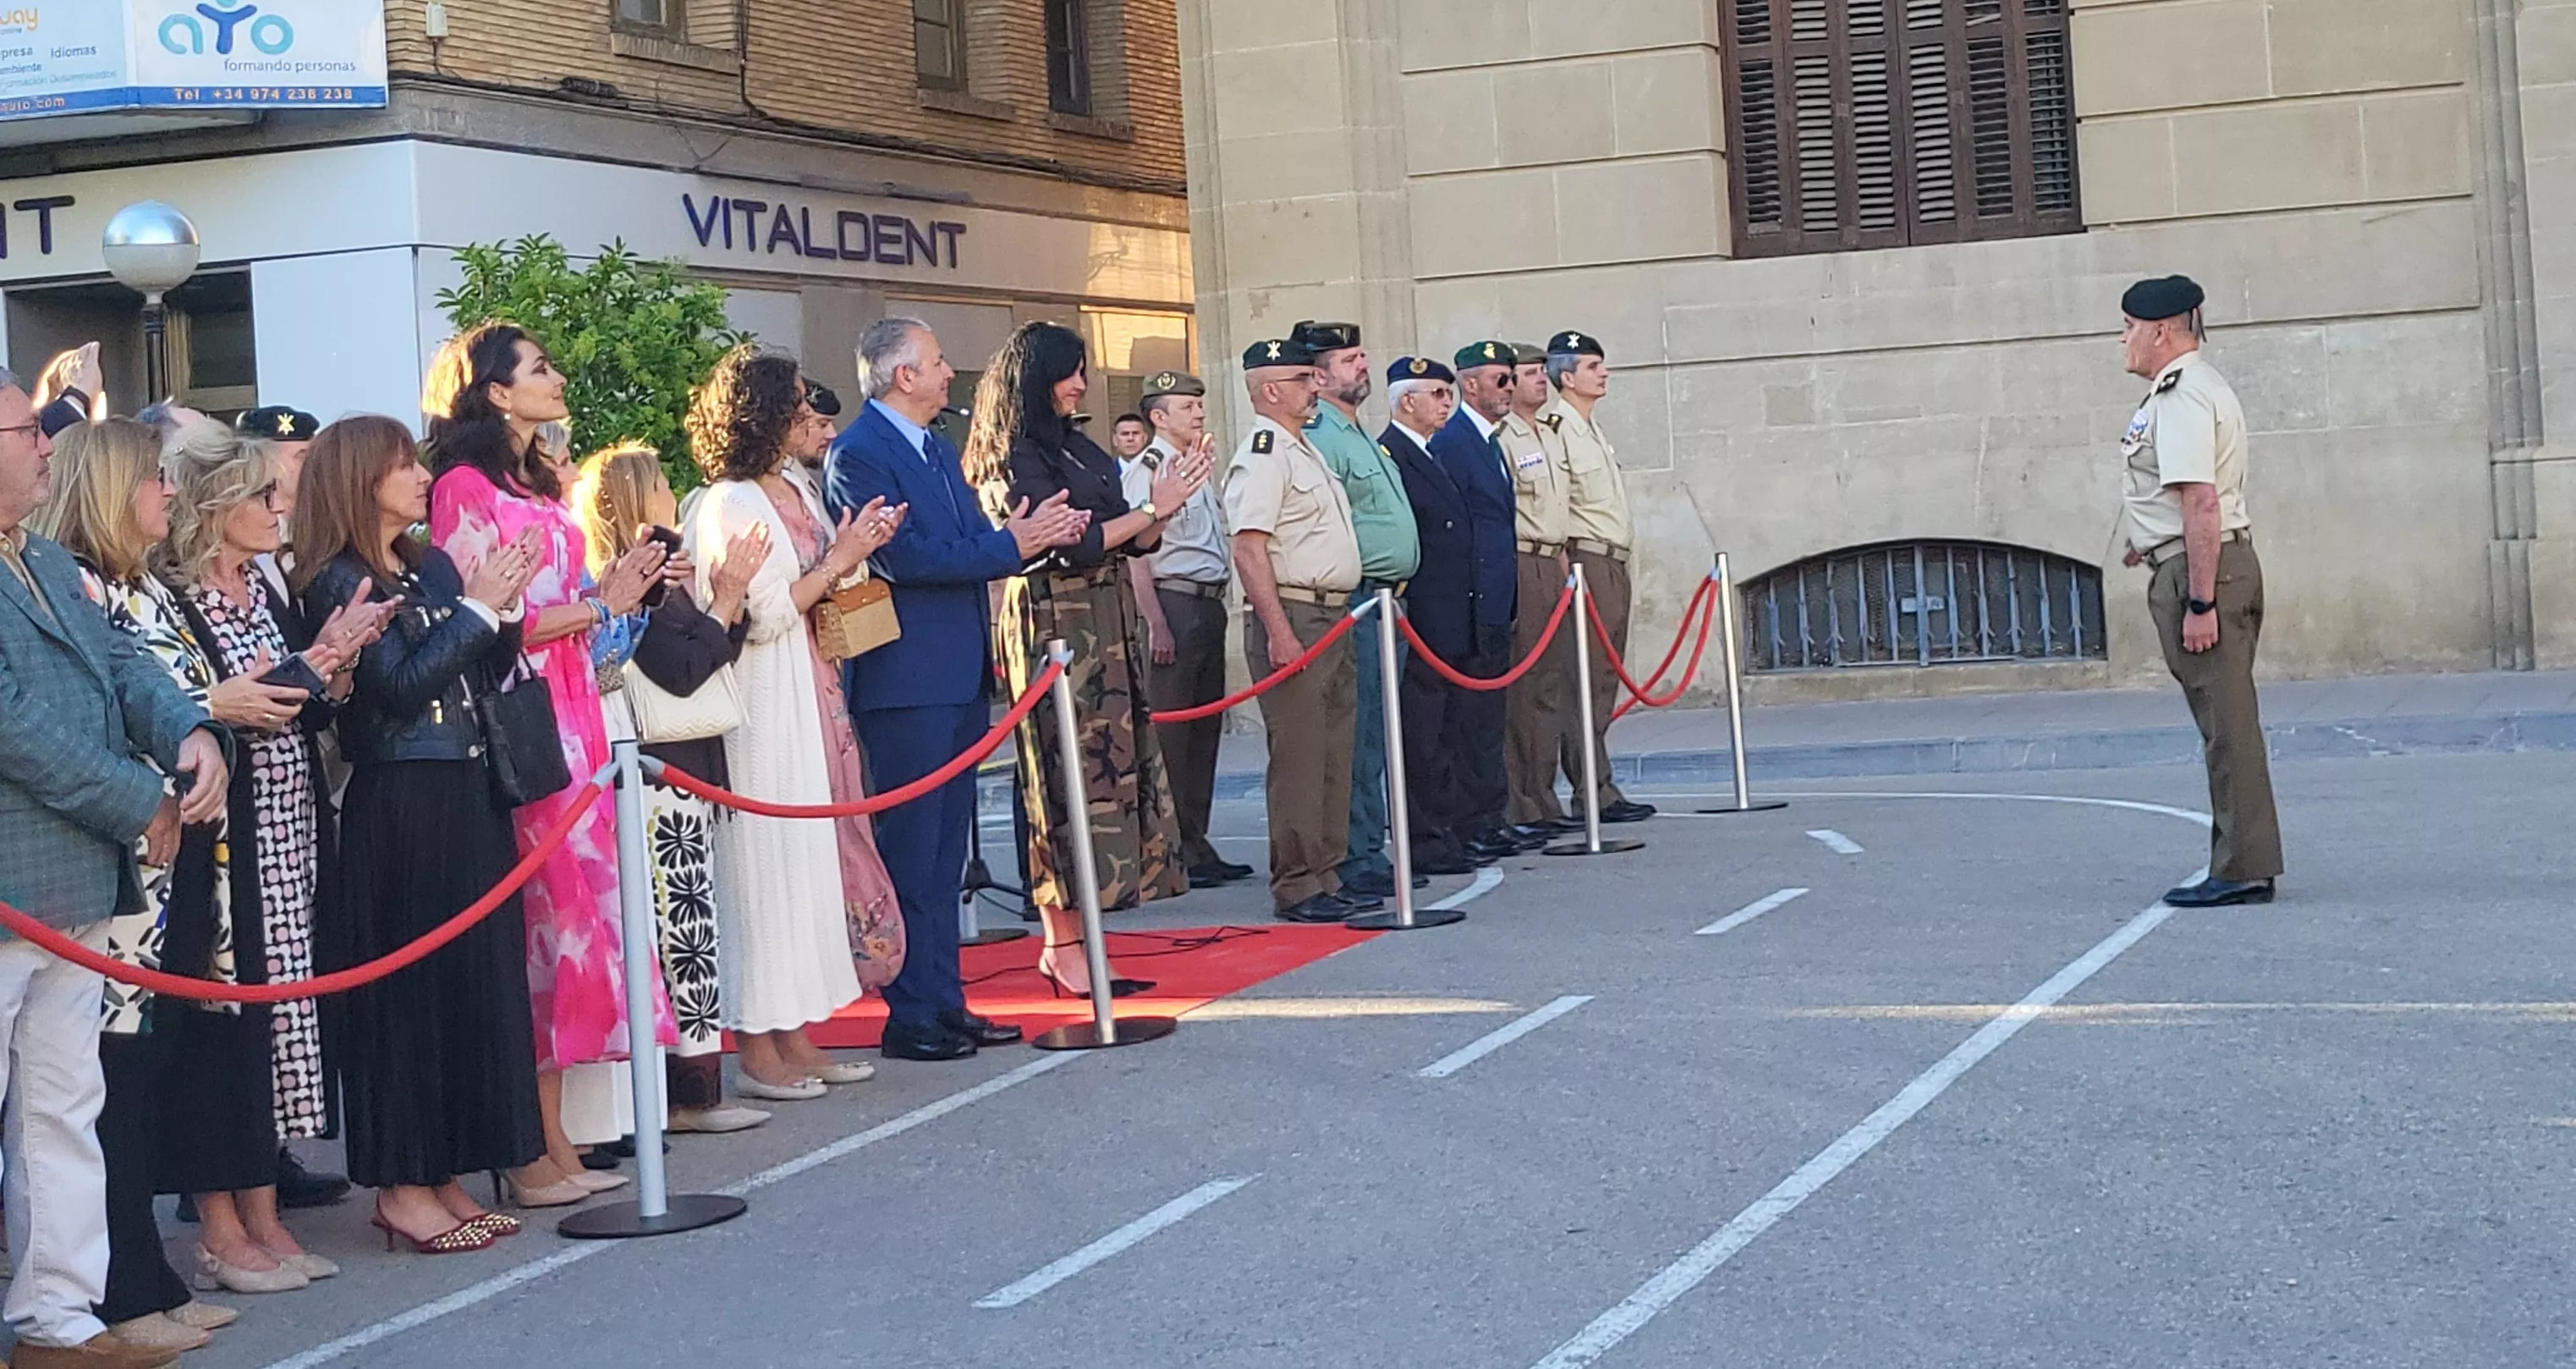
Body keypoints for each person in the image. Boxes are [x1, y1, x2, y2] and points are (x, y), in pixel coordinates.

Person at [0, 366, 229, 1369]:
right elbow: (14, 726)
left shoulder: (49, 560)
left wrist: (192, 734)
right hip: (15, 885)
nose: (47, 445)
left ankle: (58, 1319)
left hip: (74, 884)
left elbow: (129, 666)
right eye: (27, 431)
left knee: (63, 1107)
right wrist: (140, 797)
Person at [421, 322, 675, 1207]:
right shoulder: (461, 487)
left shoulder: (528, 478)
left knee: (581, 920)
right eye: (539, 367)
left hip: (573, 708)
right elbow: (484, 623)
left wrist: (613, 595)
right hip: (523, 716)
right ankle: (528, 1144)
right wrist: (598, 605)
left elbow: (561, 604)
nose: (557, 377)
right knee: (546, 926)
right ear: (494, 390)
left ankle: (554, 1134)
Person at [294, 413, 544, 1256]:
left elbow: (478, 665)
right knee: (409, 996)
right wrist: (475, 609)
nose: (421, 477)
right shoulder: (336, 580)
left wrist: (501, 607)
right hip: (401, 798)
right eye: (403, 465)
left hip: (467, 784)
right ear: (360, 477)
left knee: (469, 984)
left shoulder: (428, 563)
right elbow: (395, 690)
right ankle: (402, 1183)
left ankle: (445, 1168)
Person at [162, 420, 397, 1299]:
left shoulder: (262, 583)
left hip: (290, 826)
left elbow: (302, 705)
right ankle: (221, 1229)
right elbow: (189, 706)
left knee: (278, 1024)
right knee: (224, 1030)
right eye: (262, 495)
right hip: (224, 839)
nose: (278, 509)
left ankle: (264, 1216)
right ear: (214, 503)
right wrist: (287, 678)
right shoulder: (177, 595)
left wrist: (333, 666)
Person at [826, 316, 1088, 1061]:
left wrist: (1017, 538)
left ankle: (946, 1001)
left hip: (957, 668)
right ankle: (911, 1012)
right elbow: (907, 558)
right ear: (902, 374)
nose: (949, 373)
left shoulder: (937, 447)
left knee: (945, 855)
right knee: (912, 851)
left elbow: (969, 539)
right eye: (937, 361)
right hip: (904, 677)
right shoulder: (859, 453)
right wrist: (1007, 546)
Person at [689, 345, 907, 1093]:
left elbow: (825, 577)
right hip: (764, 697)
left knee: (811, 859)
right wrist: (837, 558)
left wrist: (859, 547)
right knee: (763, 865)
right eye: (795, 400)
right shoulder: (727, 501)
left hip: (815, 682)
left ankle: (799, 1030)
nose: (809, 413)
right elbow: (762, 612)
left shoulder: (794, 486)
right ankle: (757, 1045)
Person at [969, 322, 1206, 995]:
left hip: (1106, 611)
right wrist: (1147, 511)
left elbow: (1126, 536)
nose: (1080, 384)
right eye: (1070, 372)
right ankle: (1062, 943)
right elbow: (1067, 544)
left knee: (1113, 774)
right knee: (1062, 776)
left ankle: (1091, 931)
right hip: (1055, 617)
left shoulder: (1074, 444)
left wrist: (1164, 507)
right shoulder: (1012, 453)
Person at [574, 444, 772, 1133]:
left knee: (694, 927)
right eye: (659, 482)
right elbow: (681, 670)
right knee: (681, 930)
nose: (670, 492)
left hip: (689, 764)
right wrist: (725, 600)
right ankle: (690, 1094)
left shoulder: (668, 578)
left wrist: (723, 598)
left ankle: (695, 1086)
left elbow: (718, 650)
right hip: (658, 770)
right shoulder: (628, 585)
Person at [2113, 276, 2282, 907]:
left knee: (2226, 728)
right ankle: (2242, 860)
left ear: (2160, 331)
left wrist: (2201, 601)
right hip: (2194, 561)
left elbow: (2201, 500)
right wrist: (2147, 541)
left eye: (2129, 328)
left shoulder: (2181, 395)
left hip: (2202, 572)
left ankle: (2242, 867)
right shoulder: (2191, 387)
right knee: (2225, 722)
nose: (2123, 340)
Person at [224, 401, 356, 1212]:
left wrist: (331, 670)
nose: (288, 483)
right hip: (245, 805)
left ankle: (272, 1151)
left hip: (295, 792)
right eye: (283, 461)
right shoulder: (214, 580)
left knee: (291, 974)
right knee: (253, 983)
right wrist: (316, 666)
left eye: (304, 458)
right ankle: (242, 1168)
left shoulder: (279, 563)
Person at [1224, 338, 1373, 923]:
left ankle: (1327, 872)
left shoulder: (1303, 448)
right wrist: (1279, 630)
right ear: (1270, 390)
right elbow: (1249, 548)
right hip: (1295, 613)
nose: (1315, 388)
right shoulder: (1265, 452)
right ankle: (1297, 882)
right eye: (1303, 379)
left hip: (1331, 613)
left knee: (1334, 751)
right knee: (1301, 757)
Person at [1291, 321, 1423, 901]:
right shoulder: (1322, 435)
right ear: (1317, 377)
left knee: (1375, 730)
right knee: (1358, 732)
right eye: (1350, 359)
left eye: (1363, 355)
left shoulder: (1357, 432)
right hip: (1358, 598)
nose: (1363, 365)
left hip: (1387, 597)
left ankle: (1367, 846)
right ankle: (1353, 853)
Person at [1120, 370, 1248, 890]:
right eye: (1186, 407)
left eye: (1198, 405)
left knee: (1203, 733)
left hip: (1206, 603)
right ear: (1158, 416)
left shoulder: (1193, 465)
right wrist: (1155, 622)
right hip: (1172, 602)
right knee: (1171, 734)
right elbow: (1135, 553)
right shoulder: (1149, 470)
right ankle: (1169, 848)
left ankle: (1196, 841)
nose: (1198, 413)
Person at [1378, 359, 1490, 879]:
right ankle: (1423, 837)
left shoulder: (1430, 451)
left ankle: (1446, 829)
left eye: (1449, 394)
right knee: (1421, 734)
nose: (1448, 403)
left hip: (1450, 612)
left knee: (1446, 730)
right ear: (1407, 401)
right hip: (1421, 614)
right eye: (1438, 394)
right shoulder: (1391, 453)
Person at [1541, 332, 1656, 826]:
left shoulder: (1590, 428)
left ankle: (1600, 783)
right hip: (1585, 559)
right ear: (1567, 377)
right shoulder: (1557, 429)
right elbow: (1556, 505)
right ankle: (1591, 788)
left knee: (1604, 677)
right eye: (1592, 366)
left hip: (1611, 559)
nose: (1604, 373)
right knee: (1582, 679)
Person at [1427, 341, 1534, 860]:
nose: (1510, 387)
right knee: (1468, 721)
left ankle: (1491, 817)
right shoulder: (1454, 441)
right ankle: (1470, 821)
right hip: (1471, 600)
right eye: (1500, 379)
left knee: (1489, 717)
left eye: (1512, 378)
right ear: (1470, 384)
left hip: (1495, 596)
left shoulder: (1490, 440)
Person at [1498, 342, 1579, 837]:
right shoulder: (1504, 435)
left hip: (1553, 560)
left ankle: (1545, 794)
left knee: (1551, 685)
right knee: (1524, 687)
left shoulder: (1548, 432)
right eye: (1528, 373)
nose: (1538, 381)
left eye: (1539, 372)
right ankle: (1521, 799)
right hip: (1523, 559)